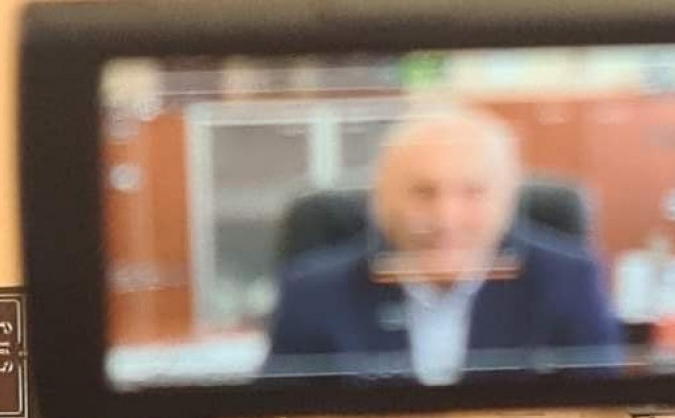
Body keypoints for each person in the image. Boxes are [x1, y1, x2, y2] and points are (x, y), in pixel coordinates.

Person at [266, 111, 622, 383]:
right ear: (382, 200)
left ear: (506, 201)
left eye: (472, 192)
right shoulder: (312, 293)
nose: (446, 218)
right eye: (423, 192)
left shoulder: (569, 281)